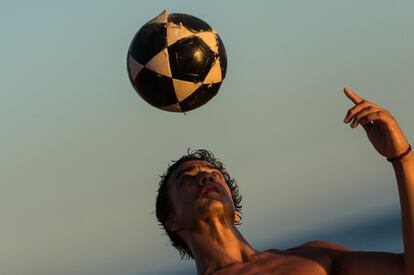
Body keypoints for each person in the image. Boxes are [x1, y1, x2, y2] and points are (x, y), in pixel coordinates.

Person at [155, 87, 413, 275]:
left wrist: (402, 158)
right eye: (187, 178)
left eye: (214, 175)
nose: (205, 177)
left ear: (235, 212)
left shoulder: (316, 257)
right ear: (172, 220)